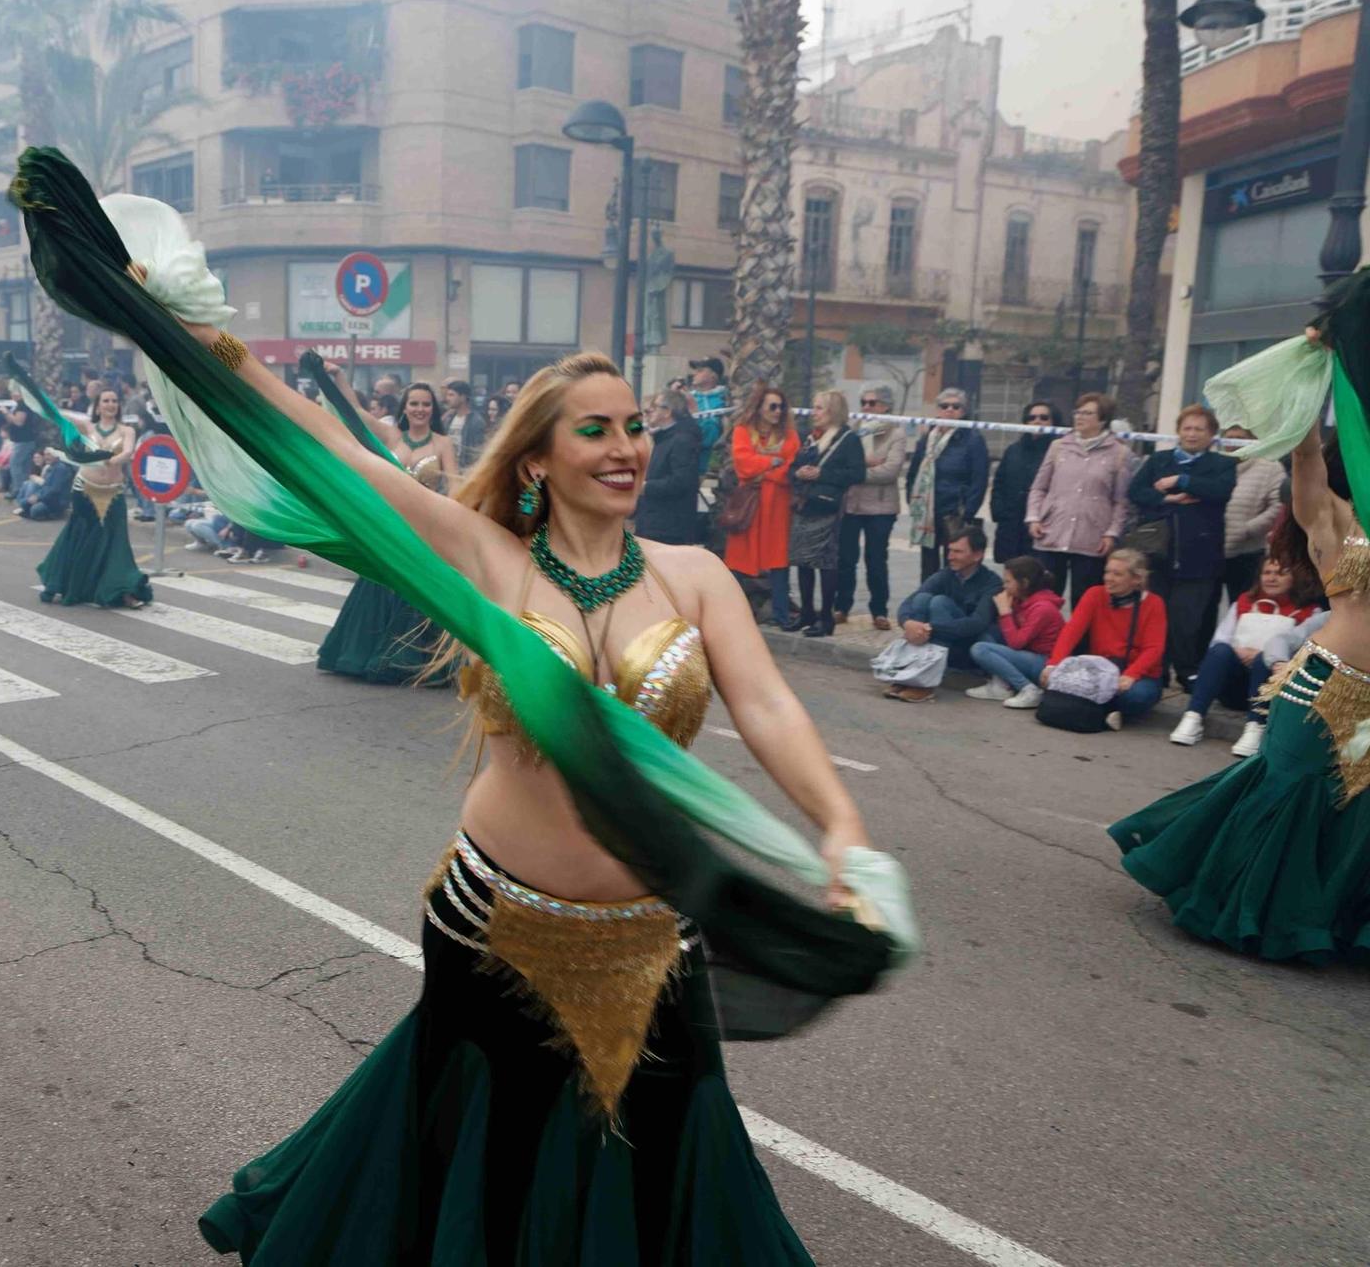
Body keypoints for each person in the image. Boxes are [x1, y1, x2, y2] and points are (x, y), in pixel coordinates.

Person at [162, 332, 895, 1261]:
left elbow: (770, 706)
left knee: (657, 1150)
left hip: (650, 935)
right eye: (596, 430)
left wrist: (842, 825)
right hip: (494, 923)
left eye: (635, 426)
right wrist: (224, 352)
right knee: (495, 1159)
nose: (627, 446)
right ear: (539, 458)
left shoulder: (696, 578)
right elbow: (337, 453)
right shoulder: (486, 559)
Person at [1111, 270, 1370, 963]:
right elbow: (1307, 453)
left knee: (1351, 811)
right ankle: (1238, 907)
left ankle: (1330, 923)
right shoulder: (1333, 521)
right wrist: (1324, 361)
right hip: (1322, 684)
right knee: (1285, 792)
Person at [319, 378, 458, 683]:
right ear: (404, 407)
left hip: (424, 528)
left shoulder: (442, 443)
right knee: (378, 586)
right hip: (389, 527)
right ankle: (362, 654)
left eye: (425, 404)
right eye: (414, 404)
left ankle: (412, 662)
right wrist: (334, 376)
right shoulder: (392, 435)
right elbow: (353, 410)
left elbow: (456, 486)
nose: (420, 409)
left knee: (416, 593)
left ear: (432, 409)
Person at [1168, 554, 1323, 755]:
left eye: (1280, 573)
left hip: (1273, 689)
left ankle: (1255, 727)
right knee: (1220, 651)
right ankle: (1193, 716)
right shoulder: (1243, 602)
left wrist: (1265, 654)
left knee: (1263, 659)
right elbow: (1220, 640)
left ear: (1295, 578)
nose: (1272, 578)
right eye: (1267, 572)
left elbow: (1305, 656)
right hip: (1235, 684)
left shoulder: (1312, 613)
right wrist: (1238, 651)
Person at [1129, 404, 1236, 689]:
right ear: (1178, 431)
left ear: (1212, 435)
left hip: (1200, 556)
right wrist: (1166, 499)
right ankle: (1156, 671)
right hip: (1158, 553)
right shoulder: (1158, 460)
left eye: (1199, 429)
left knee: (1186, 621)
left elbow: (1220, 490)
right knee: (1155, 615)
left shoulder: (1222, 465)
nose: (1192, 434)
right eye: (1187, 428)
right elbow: (1135, 492)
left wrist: (1181, 480)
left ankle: (1187, 671)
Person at [37, 387, 151, 607]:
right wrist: (37, 398)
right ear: (98, 406)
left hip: (113, 491)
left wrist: (111, 459)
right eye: (106, 401)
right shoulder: (87, 426)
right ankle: (58, 583)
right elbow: (59, 415)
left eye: (114, 401)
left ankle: (123, 591)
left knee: (116, 542)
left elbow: (128, 452)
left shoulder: (127, 430)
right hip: (84, 489)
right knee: (78, 535)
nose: (110, 404)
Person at [1024, 392, 1132, 606]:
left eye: (1088, 413)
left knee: (1085, 602)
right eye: (1078, 412)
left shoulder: (1120, 453)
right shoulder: (1058, 447)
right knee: (1045, 599)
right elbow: (1039, 487)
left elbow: (1121, 501)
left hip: (1092, 538)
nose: (1080, 417)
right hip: (1052, 532)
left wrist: (1112, 533)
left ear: (1102, 419)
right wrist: (1034, 517)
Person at [1039, 547, 1166, 728]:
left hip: (1136, 675)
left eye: (1117, 574)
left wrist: (1131, 675)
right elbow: (1071, 632)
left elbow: (1154, 649)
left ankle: (1086, 706)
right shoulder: (1095, 594)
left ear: (1136, 579)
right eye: (1107, 572)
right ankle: (1104, 711)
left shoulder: (1154, 603)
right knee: (1043, 671)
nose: (1108, 578)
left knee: (1137, 696)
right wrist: (1054, 663)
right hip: (1098, 671)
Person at [883, 526, 1002, 702]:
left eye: (957, 552)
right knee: (923, 599)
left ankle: (925, 683)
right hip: (941, 639)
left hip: (970, 646)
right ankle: (910, 675)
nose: (950, 556)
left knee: (939, 603)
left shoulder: (992, 583)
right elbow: (910, 601)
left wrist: (930, 628)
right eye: (949, 550)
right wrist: (908, 623)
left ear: (977, 555)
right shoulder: (946, 574)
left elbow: (977, 623)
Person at [786, 388, 866, 637]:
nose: (814, 412)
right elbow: (794, 466)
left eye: (820, 407)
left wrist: (823, 474)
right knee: (802, 560)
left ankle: (826, 617)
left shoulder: (847, 439)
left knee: (825, 563)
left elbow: (857, 473)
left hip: (827, 508)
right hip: (805, 505)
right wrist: (797, 473)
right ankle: (807, 612)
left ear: (833, 410)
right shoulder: (811, 437)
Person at [726, 385, 799, 627]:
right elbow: (743, 465)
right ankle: (731, 612)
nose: (777, 411)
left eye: (781, 407)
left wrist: (763, 470)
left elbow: (789, 469)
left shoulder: (789, 435)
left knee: (778, 560)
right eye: (772, 406)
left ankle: (781, 614)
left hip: (778, 507)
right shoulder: (742, 432)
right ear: (759, 408)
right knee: (739, 561)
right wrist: (773, 463)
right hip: (750, 506)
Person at [837, 384, 906, 631]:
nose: (866, 407)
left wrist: (856, 471)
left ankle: (879, 610)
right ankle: (841, 606)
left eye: (872, 403)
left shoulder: (896, 433)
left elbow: (890, 470)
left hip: (881, 508)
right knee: (846, 559)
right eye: (863, 402)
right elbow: (842, 463)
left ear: (886, 406)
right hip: (852, 505)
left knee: (876, 560)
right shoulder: (854, 430)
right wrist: (864, 465)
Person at [904, 387, 989, 576]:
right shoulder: (928, 438)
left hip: (955, 510)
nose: (949, 410)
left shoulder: (973, 439)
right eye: (944, 406)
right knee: (928, 562)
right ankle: (926, 600)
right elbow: (914, 471)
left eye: (956, 406)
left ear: (963, 411)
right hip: (928, 510)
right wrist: (913, 499)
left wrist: (968, 511)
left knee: (955, 561)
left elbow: (979, 478)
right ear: (938, 410)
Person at [965, 555, 1066, 707]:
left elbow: (1016, 643)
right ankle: (1002, 685)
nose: (1004, 586)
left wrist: (1005, 612)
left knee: (980, 649)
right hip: (1027, 654)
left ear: (1024, 583)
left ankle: (1028, 689)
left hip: (1043, 662)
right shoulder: (1021, 599)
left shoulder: (1042, 608)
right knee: (987, 632)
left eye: (1008, 581)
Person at [1220, 424, 1286, 605]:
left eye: (1239, 438)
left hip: (1248, 552)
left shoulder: (1270, 467)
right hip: (1213, 550)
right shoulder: (1214, 464)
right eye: (1229, 438)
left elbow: (1278, 506)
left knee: (1245, 604)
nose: (1233, 443)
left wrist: (1247, 530)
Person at [990, 401, 1060, 563]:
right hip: (1011, 524)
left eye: (1044, 418)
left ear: (1053, 422)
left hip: (1041, 526)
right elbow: (999, 482)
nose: (1037, 421)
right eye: (1032, 417)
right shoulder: (1013, 450)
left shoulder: (1059, 451)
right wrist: (999, 511)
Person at [633, 389, 701, 545]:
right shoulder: (664, 438)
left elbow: (681, 481)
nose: (650, 411)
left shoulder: (682, 440)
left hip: (669, 527)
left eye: (655, 406)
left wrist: (646, 487)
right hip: (656, 522)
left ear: (667, 412)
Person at [16, 446, 77, 520]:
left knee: (34, 510)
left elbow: (54, 490)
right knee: (24, 502)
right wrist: (36, 496)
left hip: (57, 500)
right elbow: (45, 487)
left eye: (49, 454)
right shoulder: (50, 468)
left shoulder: (61, 468)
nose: (46, 457)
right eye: (45, 455)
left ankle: (56, 513)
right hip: (47, 498)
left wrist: (38, 497)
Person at [442, 379, 485, 469]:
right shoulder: (448, 419)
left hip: (465, 469)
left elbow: (477, 450)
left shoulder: (475, 421)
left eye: (451, 395)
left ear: (463, 397)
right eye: (447, 395)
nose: (448, 399)